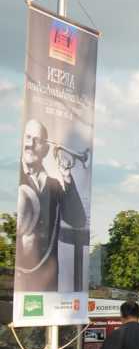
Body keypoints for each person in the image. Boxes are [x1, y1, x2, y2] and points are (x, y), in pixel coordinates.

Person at [15, 118, 86, 292]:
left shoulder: (54, 184)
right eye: (27, 137)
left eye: (37, 140)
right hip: (20, 279)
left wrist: (67, 177)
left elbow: (77, 220)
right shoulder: (17, 179)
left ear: (46, 149)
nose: (30, 144)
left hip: (48, 279)